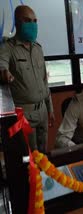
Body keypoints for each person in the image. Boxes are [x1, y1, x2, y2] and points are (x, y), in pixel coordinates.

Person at [0, 5, 55, 152]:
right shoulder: (7, 48)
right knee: (29, 154)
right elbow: (2, 64)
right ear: (17, 22)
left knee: (43, 151)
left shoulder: (38, 48)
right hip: (24, 113)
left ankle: (43, 175)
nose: (33, 25)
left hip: (42, 109)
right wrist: (4, 72)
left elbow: (44, 80)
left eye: (35, 21)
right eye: (28, 20)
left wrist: (50, 108)